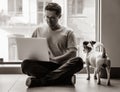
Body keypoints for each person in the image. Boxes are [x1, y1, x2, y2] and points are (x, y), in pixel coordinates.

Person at [21, 2, 83, 87]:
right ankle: (65, 79)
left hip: (61, 65)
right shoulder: (38, 30)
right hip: (44, 65)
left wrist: (57, 59)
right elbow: (32, 48)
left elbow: (73, 52)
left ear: (59, 16)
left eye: (53, 18)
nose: (49, 20)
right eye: (47, 17)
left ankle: (40, 82)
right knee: (25, 64)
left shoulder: (68, 32)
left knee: (78, 61)